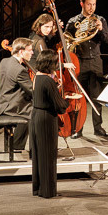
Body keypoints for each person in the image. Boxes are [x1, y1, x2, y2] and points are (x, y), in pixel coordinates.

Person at [66, 0, 108, 139]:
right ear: (82, 4)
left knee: (96, 97)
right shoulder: (73, 21)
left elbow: (107, 40)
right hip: (79, 62)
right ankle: (78, 129)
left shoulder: (100, 19)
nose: (91, 7)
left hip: (96, 62)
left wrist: (100, 29)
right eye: (88, 4)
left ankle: (98, 128)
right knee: (79, 98)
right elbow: (68, 41)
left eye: (94, 4)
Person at [30, 49, 70, 198]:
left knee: (39, 155)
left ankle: (38, 188)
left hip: (36, 116)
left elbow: (46, 95)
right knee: (48, 155)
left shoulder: (37, 77)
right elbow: (59, 106)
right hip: (46, 119)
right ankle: (48, 192)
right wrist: (69, 100)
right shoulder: (48, 80)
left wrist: (56, 87)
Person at [0, 37, 33, 151]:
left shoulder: (4, 61)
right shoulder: (20, 70)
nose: (32, 52)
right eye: (29, 50)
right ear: (21, 51)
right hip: (11, 106)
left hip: (3, 103)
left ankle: (15, 145)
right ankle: (17, 147)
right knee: (34, 111)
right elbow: (32, 90)